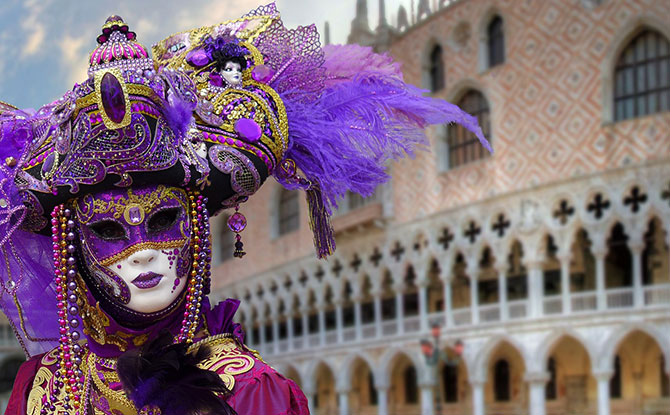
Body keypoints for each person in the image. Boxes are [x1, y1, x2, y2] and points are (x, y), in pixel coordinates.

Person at [0, 4, 490, 414]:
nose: (143, 251)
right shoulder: (40, 390)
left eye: (163, 220)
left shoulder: (251, 391)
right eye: (107, 230)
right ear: (72, 244)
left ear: (194, 225)